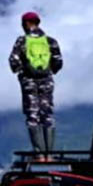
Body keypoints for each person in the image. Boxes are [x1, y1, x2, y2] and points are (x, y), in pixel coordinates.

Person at [8, 10, 63, 156]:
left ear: (26, 24)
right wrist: (47, 71)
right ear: (38, 23)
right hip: (47, 81)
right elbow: (58, 62)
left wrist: (24, 72)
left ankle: (38, 153)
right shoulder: (51, 41)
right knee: (48, 115)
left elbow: (13, 62)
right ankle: (49, 154)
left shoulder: (22, 41)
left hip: (29, 83)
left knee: (33, 115)